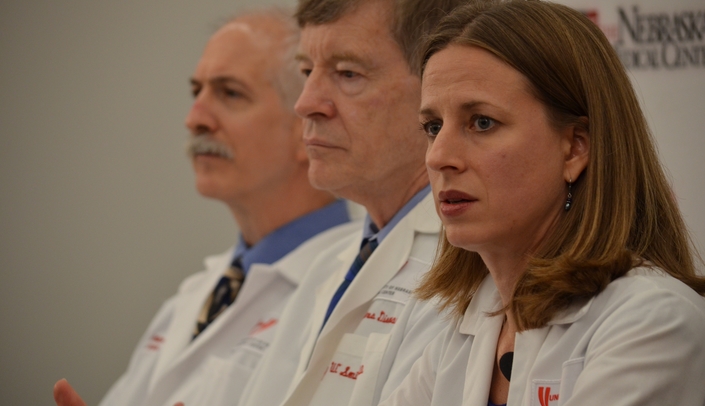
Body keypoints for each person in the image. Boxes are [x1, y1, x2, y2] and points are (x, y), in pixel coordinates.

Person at [380, 1, 705, 405]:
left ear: (574, 149)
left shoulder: (655, 323)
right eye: (433, 126)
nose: (437, 156)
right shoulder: (463, 329)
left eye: (482, 122)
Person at [52, 9, 359, 406]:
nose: (194, 118)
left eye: (230, 93)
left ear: (307, 125)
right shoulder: (194, 297)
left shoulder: (352, 291)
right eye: (196, 92)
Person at [237, 1, 466, 406]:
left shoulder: (468, 267)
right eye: (307, 71)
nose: (306, 103)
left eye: (347, 74)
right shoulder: (328, 265)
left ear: (440, 85)